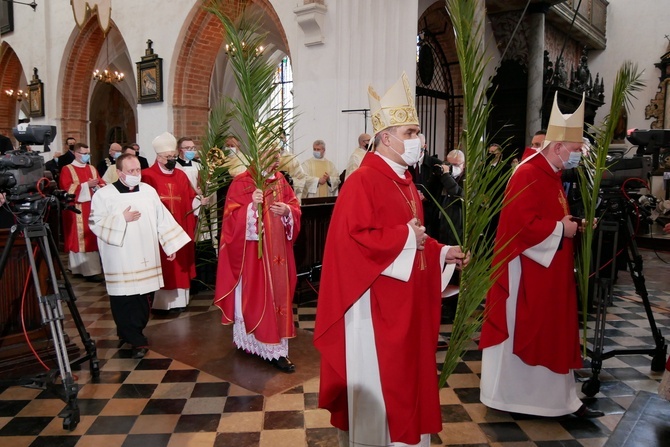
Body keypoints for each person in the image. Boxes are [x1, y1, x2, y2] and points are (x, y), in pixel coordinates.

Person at [314, 72, 468, 446]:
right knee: (383, 377)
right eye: (411, 133)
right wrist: (405, 238)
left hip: (403, 301)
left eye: (417, 133)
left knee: (405, 373)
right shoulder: (363, 181)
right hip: (373, 305)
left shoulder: (404, 181)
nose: (420, 141)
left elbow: (416, 236)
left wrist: (443, 251)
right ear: (386, 138)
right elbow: (353, 242)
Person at [479, 93, 604, 418]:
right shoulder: (527, 172)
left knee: (552, 330)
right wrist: (562, 230)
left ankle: (558, 400)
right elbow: (520, 226)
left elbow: (547, 216)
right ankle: (519, 399)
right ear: (558, 146)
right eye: (576, 150)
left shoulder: (550, 173)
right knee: (531, 329)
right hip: (525, 272)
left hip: (546, 269)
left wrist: (571, 225)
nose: (578, 156)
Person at [89, 153, 191, 358]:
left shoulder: (148, 191)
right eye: (130, 171)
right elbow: (95, 222)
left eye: (137, 170)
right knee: (124, 297)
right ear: (119, 173)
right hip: (120, 256)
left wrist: (169, 245)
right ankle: (135, 338)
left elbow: (162, 218)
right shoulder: (104, 195)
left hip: (146, 254)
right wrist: (121, 218)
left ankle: (130, 331)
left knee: (144, 296)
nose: (136, 174)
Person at [214, 143, 301, 373]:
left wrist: (288, 212)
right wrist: (252, 206)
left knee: (279, 299)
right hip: (254, 257)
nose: (276, 159)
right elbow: (230, 220)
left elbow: (294, 206)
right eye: (271, 155)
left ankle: (277, 350)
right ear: (258, 155)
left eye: (278, 155)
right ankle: (253, 342)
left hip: (279, 255)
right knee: (257, 299)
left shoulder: (281, 180)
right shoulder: (243, 181)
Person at [141, 132, 197, 313]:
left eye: (173, 156)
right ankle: (161, 304)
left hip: (181, 225)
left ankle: (180, 302)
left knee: (180, 262)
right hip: (160, 229)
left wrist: (199, 201)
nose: (172, 159)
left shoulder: (180, 175)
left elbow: (190, 198)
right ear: (158, 157)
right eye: (168, 157)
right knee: (165, 263)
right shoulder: (147, 176)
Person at [58, 142, 105, 281]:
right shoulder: (67, 169)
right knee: (79, 238)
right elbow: (67, 188)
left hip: (92, 207)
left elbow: (101, 182)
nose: (86, 156)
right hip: (77, 208)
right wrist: (86, 186)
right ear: (76, 154)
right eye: (84, 154)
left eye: (88, 153)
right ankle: (83, 269)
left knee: (91, 237)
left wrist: (98, 185)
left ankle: (87, 269)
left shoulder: (91, 168)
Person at [439, 149, 465, 246]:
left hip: (459, 228)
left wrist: (446, 176)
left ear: (464, 164)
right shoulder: (445, 177)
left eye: (456, 165)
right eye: (450, 165)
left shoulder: (469, 178)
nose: (452, 168)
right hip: (445, 227)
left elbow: (459, 194)